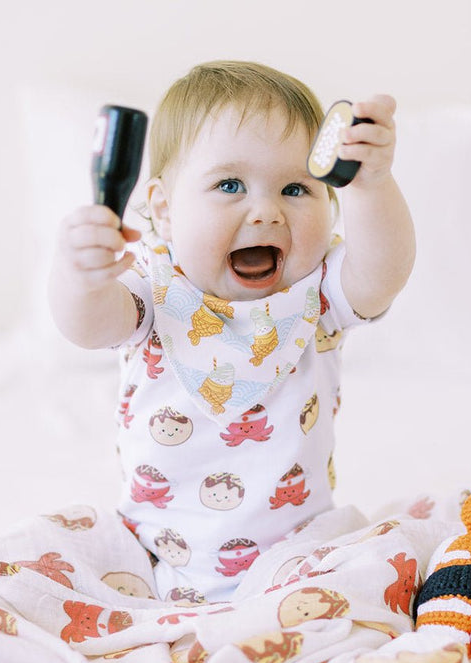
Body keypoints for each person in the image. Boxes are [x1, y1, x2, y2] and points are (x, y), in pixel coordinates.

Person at [49, 60, 415, 603]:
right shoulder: (154, 288)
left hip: (299, 559)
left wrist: (372, 185)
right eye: (230, 184)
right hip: (152, 554)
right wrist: (78, 275)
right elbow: (88, 324)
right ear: (165, 210)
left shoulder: (319, 296)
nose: (266, 211)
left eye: (296, 188)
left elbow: (385, 272)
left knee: (382, 584)